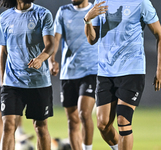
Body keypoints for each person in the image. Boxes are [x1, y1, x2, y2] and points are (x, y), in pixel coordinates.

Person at [84, 0, 161, 150]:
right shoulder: (101, 1)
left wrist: (160, 69)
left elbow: (160, 36)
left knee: (123, 119)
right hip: (105, 71)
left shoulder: (141, 2)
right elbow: (91, 40)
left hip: (132, 70)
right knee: (103, 124)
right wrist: (88, 19)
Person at [0, 0, 55, 149]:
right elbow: (4, 52)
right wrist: (3, 79)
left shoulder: (43, 14)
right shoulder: (4, 17)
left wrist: (40, 59)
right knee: (8, 126)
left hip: (38, 81)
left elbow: (50, 44)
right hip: (12, 82)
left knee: (40, 127)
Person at [49, 0, 104, 150]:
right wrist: (51, 60)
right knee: (72, 120)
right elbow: (56, 38)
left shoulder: (96, 10)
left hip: (91, 70)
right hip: (69, 73)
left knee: (84, 113)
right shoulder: (63, 12)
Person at [0, 34, 34, 150]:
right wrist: (4, 72)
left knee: (16, 106)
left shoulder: (16, 37)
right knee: (1, 116)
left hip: (10, 82)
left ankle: (19, 133)